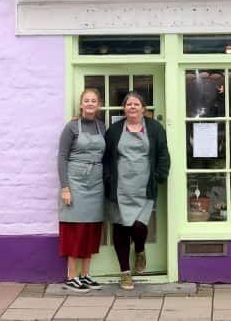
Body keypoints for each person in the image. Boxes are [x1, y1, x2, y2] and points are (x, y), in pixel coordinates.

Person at [103, 91, 170, 291]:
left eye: (136, 104)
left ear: (143, 108)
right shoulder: (114, 130)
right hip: (120, 187)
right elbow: (106, 158)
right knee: (121, 229)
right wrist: (107, 178)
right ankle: (125, 273)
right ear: (124, 109)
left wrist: (159, 176)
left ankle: (140, 249)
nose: (132, 107)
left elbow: (163, 154)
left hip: (144, 186)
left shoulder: (155, 128)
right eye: (128, 104)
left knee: (139, 227)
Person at [57, 87, 106, 291]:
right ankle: (71, 276)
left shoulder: (101, 127)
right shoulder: (71, 128)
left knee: (91, 229)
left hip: (96, 183)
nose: (90, 104)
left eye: (93, 100)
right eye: (86, 100)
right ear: (80, 104)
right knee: (75, 229)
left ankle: (85, 274)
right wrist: (65, 187)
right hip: (76, 183)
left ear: (99, 104)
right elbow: (62, 157)